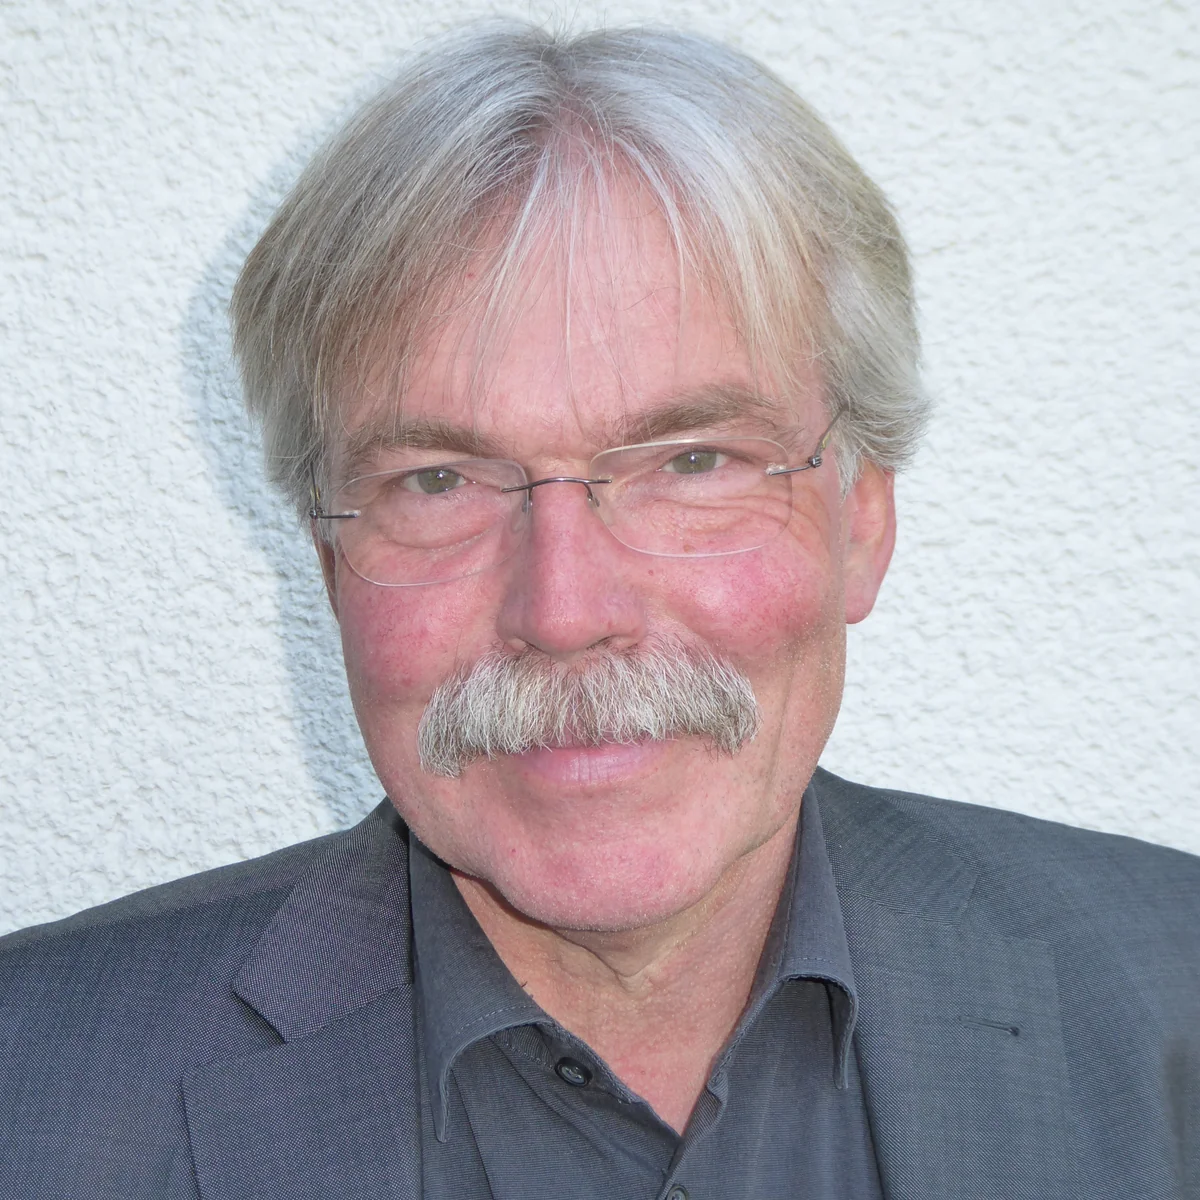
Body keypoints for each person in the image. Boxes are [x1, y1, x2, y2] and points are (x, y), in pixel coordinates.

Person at [1, 21, 1196, 1200]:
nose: (565, 611)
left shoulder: (1172, 1007)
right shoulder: (30, 1099)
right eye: (439, 481)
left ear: (863, 522)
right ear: (328, 561)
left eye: (691, 462)